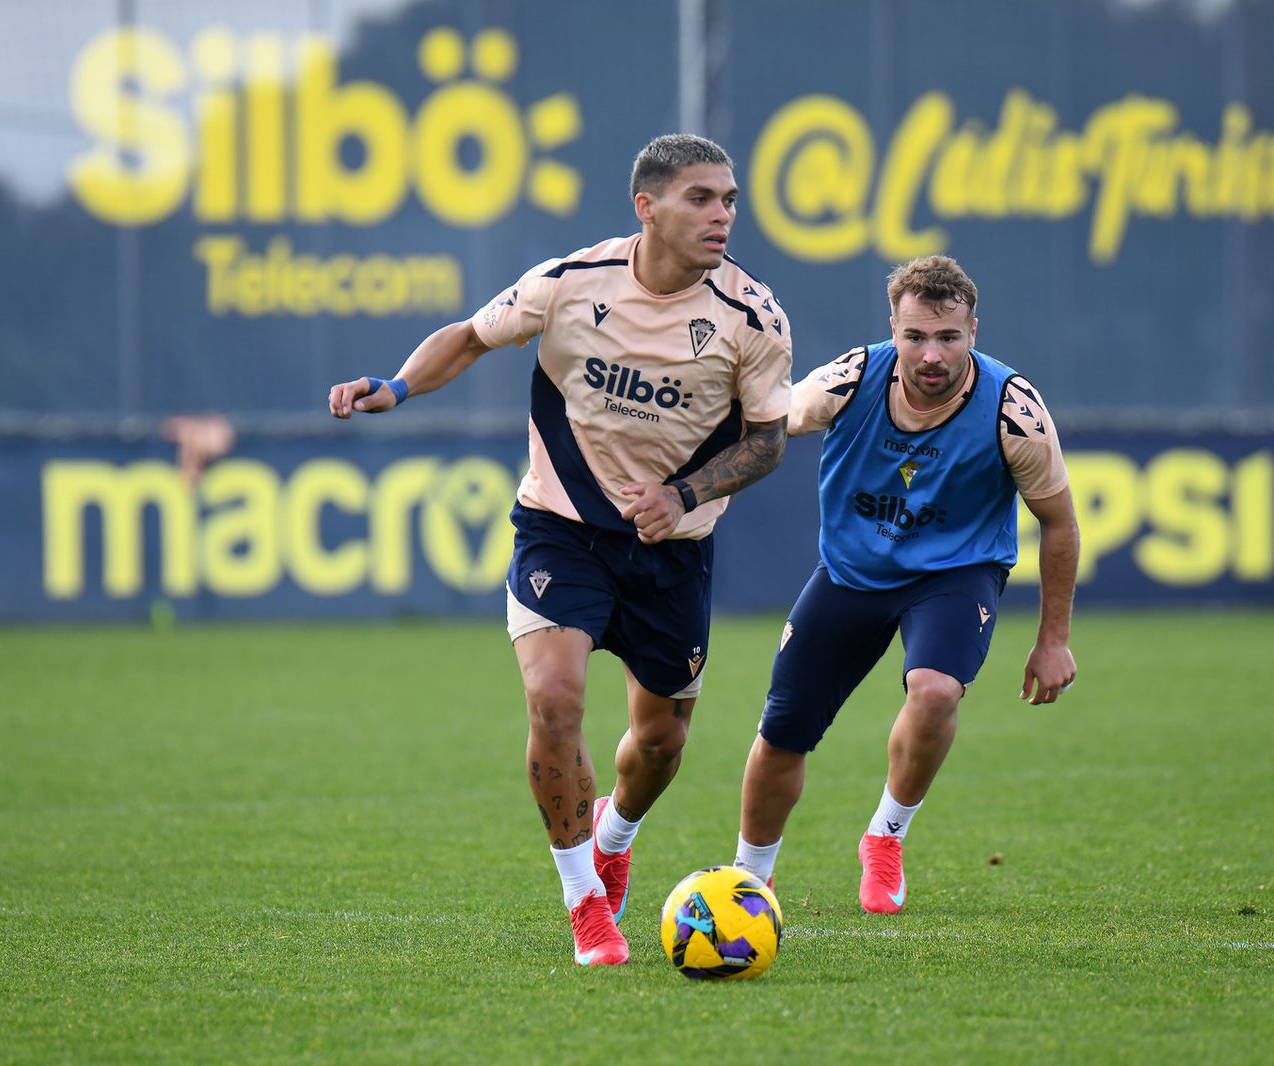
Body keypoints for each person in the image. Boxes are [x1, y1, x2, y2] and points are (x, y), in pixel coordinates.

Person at [328, 134, 793, 965]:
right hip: (561, 527)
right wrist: (396, 386)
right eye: (700, 198)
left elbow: (767, 441)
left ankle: (614, 838)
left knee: (661, 744)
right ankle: (586, 904)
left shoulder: (753, 317)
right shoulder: (571, 283)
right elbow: (470, 336)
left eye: (728, 199)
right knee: (554, 700)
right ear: (647, 207)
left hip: (671, 549)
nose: (721, 214)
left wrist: (683, 496)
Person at [730, 255, 1078, 914]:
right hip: (852, 574)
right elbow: (774, 419)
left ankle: (885, 835)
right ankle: (749, 877)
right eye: (915, 336)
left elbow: (1059, 524)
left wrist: (1053, 639)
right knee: (782, 733)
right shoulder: (852, 378)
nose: (931, 355)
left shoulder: (1014, 411)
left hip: (956, 574)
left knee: (936, 689)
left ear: (973, 332)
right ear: (893, 329)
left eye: (948, 337)